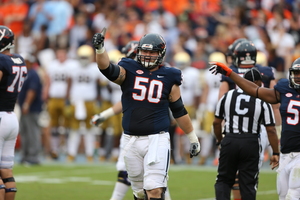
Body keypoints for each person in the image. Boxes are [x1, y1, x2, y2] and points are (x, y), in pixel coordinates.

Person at [92, 29, 200, 200]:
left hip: (157, 139)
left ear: (161, 53)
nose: (148, 55)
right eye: (145, 51)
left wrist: (192, 137)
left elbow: (179, 110)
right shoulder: (128, 68)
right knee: (140, 192)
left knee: (154, 190)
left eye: (152, 51)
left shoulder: (170, 76)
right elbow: (107, 69)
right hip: (130, 139)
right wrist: (100, 49)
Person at [209, 57, 300, 199]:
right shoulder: (284, 88)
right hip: (286, 153)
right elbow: (255, 90)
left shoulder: (228, 97)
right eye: (296, 72)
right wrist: (230, 74)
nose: (298, 76)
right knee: (282, 194)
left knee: (293, 195)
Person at [91, 40, 172, 200]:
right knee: (146, 182)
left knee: (155, 181)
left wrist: (104, 114)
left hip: (154, 131)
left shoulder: (161, 72)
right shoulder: (130, 69)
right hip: (133, 130)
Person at [220, 39, 279, 200]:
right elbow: (275, 101)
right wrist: (277, 128)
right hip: (260, 125)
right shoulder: (265, 72)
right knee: (251, 171)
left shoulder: (229, 72)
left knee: (233, 173)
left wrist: (224, 129)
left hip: (235, 126)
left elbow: (221, 101)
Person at [0, 25, 26, 200]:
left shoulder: (2, 61)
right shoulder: (19, 59)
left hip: (0, 116)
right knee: (6, 170)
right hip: (11, 117)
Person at [66, 44, 102, 162]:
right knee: (74, 129)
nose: (83, 60)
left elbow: (98, 86)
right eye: (81, 57)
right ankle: (71, 153)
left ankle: (89, 153)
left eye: (85, 57)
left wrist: (98, 102)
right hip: (76, 102)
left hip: (90, 102)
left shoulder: (94, 68)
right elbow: (69, 84)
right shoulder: (73, 67)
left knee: (90, 129)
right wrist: (67, 101)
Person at [18, 53, 43, 165]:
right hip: (25, 108)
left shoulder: (33, 74)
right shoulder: (25, 73)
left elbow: (32, 91)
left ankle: (33, 156)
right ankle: (25, 155)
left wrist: (26, 104)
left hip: (31, 109)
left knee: (32, 132)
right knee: (24, 132)